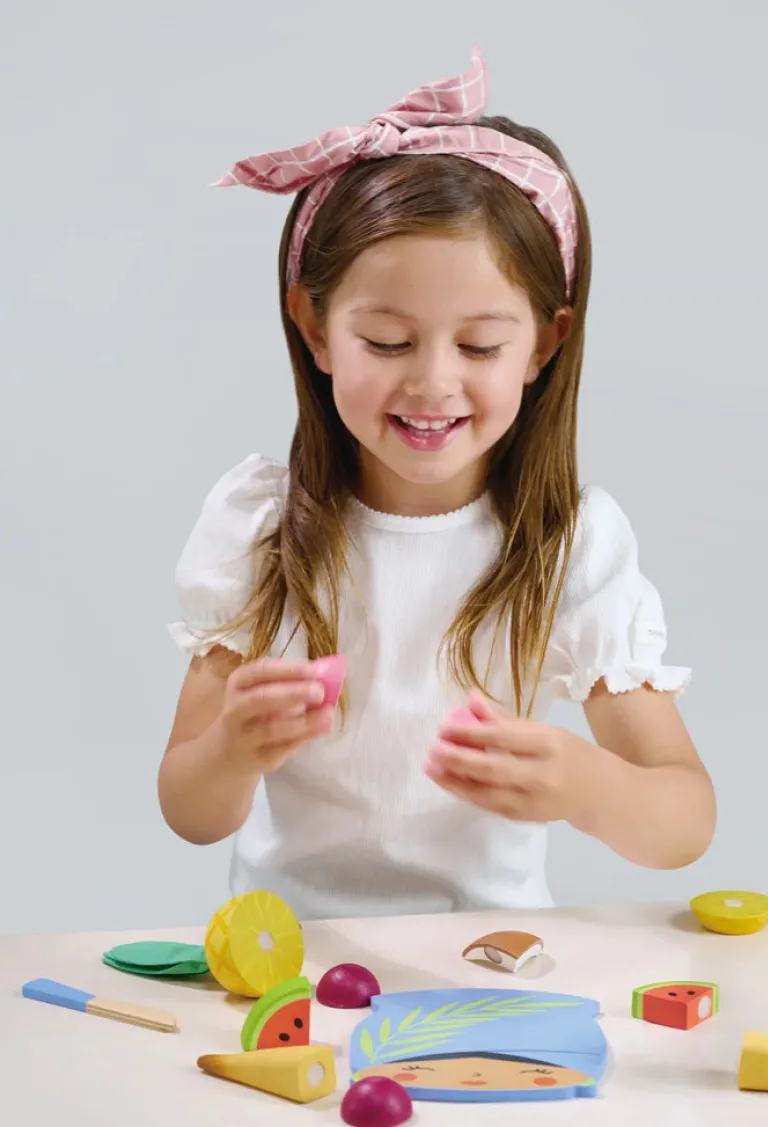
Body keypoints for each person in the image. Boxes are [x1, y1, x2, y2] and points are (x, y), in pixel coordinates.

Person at [158, 48, 716, 922]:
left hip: (490, 953)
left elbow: (684, 821)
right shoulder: (262, 526)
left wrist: (587, 784)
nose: (431, 382)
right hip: (286, 956)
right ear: (313, 325)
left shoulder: (567, 540)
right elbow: (189, 811)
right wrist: (232, 746)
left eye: (480, 347)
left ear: (543, 343)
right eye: (386, 341)